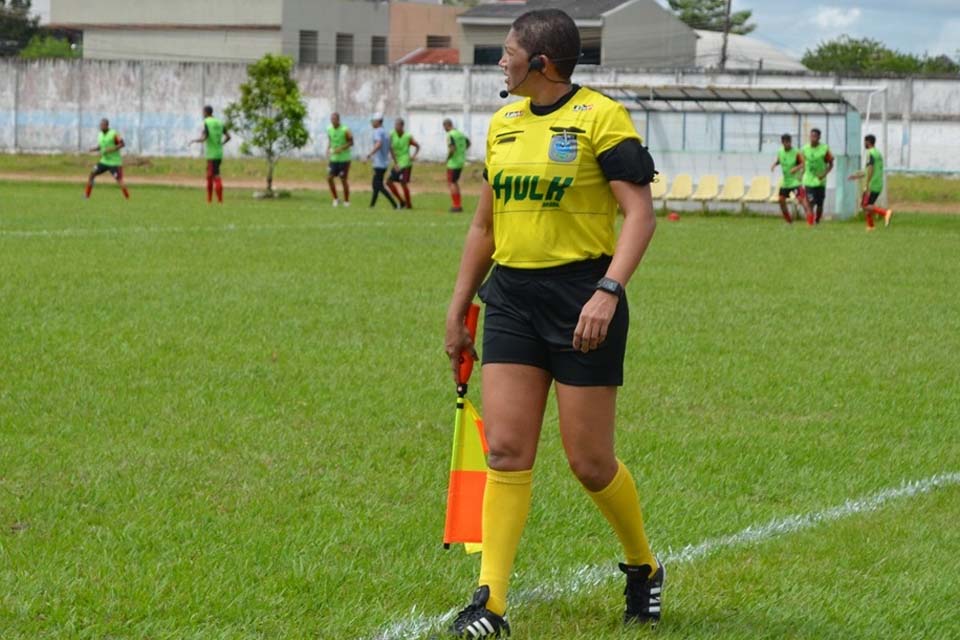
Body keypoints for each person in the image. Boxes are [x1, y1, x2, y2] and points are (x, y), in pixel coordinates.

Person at [443, 8, 660, 637]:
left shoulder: (602, 118)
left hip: (581, 298)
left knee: (589, 463)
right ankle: (492, 603)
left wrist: (607, 292)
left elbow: (640, 216)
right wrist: (460, 304)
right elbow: (484, 226)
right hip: (510, 296)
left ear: (540, 63)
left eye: (508, 51)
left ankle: (643, 565)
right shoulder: (503, 122)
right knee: (506, 451)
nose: (500, 61)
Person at [848, 134, 893, 231]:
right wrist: (856, 176)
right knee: (869, 205)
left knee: (865, 206)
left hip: (872, 184)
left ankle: (885, 213)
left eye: (864, 142)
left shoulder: (871, 153)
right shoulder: (878, 153)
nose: (864, 144)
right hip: (878, 183)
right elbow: (867, 170)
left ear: (868, 142)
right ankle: (870, 226)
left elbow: (871, 169)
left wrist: (867, 184)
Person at [190, 105, 231, 204]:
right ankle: (212, 201)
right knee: (212, 175)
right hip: (219, 153)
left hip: (211, 155)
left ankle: (215, 200)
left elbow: (205, 137)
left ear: (205, 112)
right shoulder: (219, 122)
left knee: (213, 176)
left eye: (203, 112)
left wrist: (195, 140)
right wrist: (221, 143)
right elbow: (228, 136)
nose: (202, 114)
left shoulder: (207, 122)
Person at [85, 118, 129, 200]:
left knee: (119, 180)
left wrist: (112, 149)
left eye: (103, 125)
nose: (101, 127)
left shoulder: (113, 134)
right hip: (104, 161)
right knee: (92, 174)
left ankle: (127, 197)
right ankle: (86, 196)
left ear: (107, 126)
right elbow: (101, 146)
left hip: (114, 163)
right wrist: (94, 149)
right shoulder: (100, 134)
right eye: (100, 125)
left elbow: (122, 144)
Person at [770, 133, 808, 224]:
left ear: (791, 142)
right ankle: (789, 221)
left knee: (802, 200)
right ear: (782, 142)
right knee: (781, 200)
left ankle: (811, 220)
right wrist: (774, 164)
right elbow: (780, 160)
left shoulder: (796, 152)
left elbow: (803, 164)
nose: (788, 144)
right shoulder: (780, 151)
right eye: (785, 142)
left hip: (795, 182)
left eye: (789, 142)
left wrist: (796, 168)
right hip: (786, 182)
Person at [800, 128, 834, 225]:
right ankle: (810, 224)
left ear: (819, 137)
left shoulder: (824, 149)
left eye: (815, 136)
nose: (812, 138)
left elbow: (831, 164)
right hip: (808, 180)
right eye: (811, 136)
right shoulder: (805, 149)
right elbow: (803, 164)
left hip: (820, 181)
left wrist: (823, 174)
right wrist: (800, 176)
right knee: (811, 203)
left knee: (820, 204)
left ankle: (817, 220)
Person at [366, 113, 399, 210]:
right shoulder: (386, 132)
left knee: (378, 185)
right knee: (375, 185)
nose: (372, 123)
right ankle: (372, 206)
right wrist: (395, 162)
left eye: (373, 121)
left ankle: (395, 204)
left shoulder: (377, 132)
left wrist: (369, 154)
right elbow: (391, 148)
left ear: (378, 121)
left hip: (379, 163)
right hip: (384, 163)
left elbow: (379, 144)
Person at [387, 118, 419, 209]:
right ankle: (401, 201)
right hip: (397, 162)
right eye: (395, 125)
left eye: (398, 125)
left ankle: (408, 204)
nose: (396, 127)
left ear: (402, 126)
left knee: (403, 183)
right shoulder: (392, 134)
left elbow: (417, 146)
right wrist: (395, 163)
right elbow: (390, 148)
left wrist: (413, 156)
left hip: (406, 163)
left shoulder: (408, 136)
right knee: (389, 182)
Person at [444, 118, 471, 213]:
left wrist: (447, 158)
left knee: (451, 183)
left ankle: (456, 205)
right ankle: (458, 204)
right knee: (455, 182)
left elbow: (452, 148)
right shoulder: (460, 133)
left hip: (453, 163)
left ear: (446, 126)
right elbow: (468, 143)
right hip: (461, 161)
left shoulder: (450, 135)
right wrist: (462, 151)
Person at [327, 112, 353, 207]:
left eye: (334, 119)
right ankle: (335, 199)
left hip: (344, 159)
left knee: (343, 179)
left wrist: (341, 148)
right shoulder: (329, 129)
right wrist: (328, 149)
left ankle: (346, 201)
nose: (332, 121)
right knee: (329, 178)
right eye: (331, 119)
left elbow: (351, 142)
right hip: (333, 159)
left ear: (338, 120)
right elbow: (330, 140)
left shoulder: (345, 130)